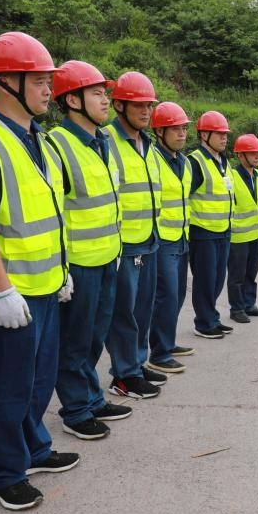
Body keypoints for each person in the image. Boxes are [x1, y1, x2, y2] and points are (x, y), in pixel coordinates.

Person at [0, 32, 77, 512]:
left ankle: (35, 449)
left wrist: (63, 269)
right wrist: (2, 290)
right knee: (10, 386)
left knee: (39, 379)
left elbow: (51, 212)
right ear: (7, 80)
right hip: (9, 293)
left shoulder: (39, 141)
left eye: (50, 81)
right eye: (40, 81)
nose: (50, 89)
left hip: (45, 285)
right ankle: (4, 472)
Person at [47, 60, 131, 440]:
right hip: (79, 264)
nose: (106, 100)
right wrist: (62, 266)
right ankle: (76, 409)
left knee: (95, 338)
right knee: (75, 342)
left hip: (106, 256)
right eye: (96, 93)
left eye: (105, 92)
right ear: (73, 100)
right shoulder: (58, 144)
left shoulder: (104, 141)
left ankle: (93, 398)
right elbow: (54, 210)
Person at [101, 72, 166, 398]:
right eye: (138, 105)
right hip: (124, 242)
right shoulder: (106, 141)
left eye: (149, 105)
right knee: (123, 312)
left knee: (143, 308)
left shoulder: (148, 144)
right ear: (119, 105)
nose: (145, 111)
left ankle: (137, 363)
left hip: (149, 238)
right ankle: (124, 375)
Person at [146, 101, 197, 374]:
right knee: (165, 296)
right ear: (160, 132)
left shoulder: (185, 162)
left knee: (177, 295)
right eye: (174, 129)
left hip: (181, 237)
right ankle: (159, 353)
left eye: (184, 128)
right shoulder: (151, 159)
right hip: (162, 239)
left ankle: (166, 340)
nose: (181, 133)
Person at [187, 110, 236, 338]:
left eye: (225, 134)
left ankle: (212, 317)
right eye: (219, 134)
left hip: (223, 230)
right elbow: (183, 196)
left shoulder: (223, 161)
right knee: (205, 281)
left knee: (217, 280)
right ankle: (204, 323)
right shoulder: (195, 162)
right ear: (204, 135)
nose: (224, 138)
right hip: (203, 232)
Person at [227, 133, 258, 324]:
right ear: (240, 155)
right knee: (237, 275)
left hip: (255, 233)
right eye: (252, 153)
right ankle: (236, 309)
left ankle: (249, 304)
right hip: (238, 235)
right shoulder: (232, 175)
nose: (257, 156)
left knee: (251, 272)